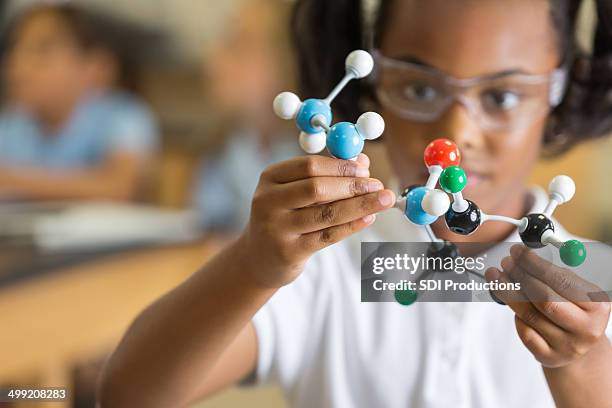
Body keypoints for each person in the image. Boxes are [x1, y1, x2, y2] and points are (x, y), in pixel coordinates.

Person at [98, 1, 612, 407]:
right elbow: (129, 393)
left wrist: (579, 361)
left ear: (561, 93)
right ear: (372, 88)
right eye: (417, 86)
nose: (455, 136)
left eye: (501, 97)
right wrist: (251, 267)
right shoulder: (323, 265)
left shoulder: (589, 279)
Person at [0, 4, 159, 202]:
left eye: (43, 51)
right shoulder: (11, 123)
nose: (18, 64)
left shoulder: (123, 114)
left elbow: (120, 187)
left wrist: (13, 180)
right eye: (15, 49)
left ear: (97, 67)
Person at [191, 0, 300, 231]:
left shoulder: (327, 160)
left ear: (288, 61)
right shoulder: (221, 153)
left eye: (238, 45)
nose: (213, 60)